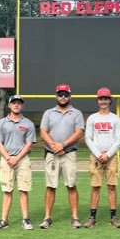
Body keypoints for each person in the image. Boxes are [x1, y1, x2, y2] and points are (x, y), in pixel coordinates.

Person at [0, 95, 37, 231]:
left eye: (19, 103)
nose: (16, 105)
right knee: (7, 190)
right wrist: (9, 158)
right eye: (13, 103)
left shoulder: (28, 123)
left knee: (24, 190)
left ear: (22, 106)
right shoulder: (1, 123)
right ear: (9, 105)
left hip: (23, 160)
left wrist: (17, 158)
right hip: (6, 159)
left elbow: (28, 144)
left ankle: (26, 220)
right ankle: (4, 220)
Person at [39, 84, 84, 229]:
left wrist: (62, 145)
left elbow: (78, 133)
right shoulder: (48, 113)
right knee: (50, 186)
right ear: (56, 96)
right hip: (52, 154)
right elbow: (43, 132)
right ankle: (47, 218)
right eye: (60, 94)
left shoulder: (76, 113)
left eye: (65, 94)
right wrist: (54, 146)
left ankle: (75, 217)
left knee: (71, 185)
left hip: (69, 153)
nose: (63, 97)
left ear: (70, 96)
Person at [84, 88, 120, 228]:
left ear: (110, 100)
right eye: (101, 98)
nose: (103, 101)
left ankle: (113, 217)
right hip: (96, 156)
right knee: (95, 187)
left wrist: (108, 154)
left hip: (111, 156)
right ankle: (92, 217)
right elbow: (88, 138)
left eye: (106, 98)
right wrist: (98, 154)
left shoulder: (115, 118)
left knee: (111, 186)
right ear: (98, 100)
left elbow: (119, 139)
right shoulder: (92, 118)